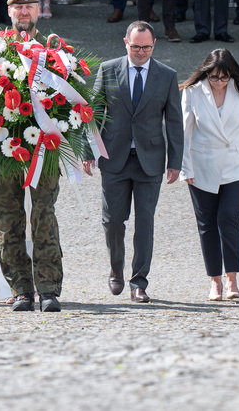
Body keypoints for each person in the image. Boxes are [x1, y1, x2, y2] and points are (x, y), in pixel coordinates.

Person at [0, 0, 75, 312]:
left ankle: (49, 289)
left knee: (43, 217)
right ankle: (21, 289)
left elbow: (70, 97)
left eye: (30, 7)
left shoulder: (55, 49)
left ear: (39, 10)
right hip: (2, 148)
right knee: (8, 218)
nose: (24, 13)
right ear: (9, 12)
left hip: (44, 150)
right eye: (18, 8)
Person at [92, 21, 183, 303]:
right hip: (114, 157)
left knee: (145, 223)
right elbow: (92, 113)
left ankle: (139, 282)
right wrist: (87, 152)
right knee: (113, 221)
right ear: (125, 43)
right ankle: (116, 269)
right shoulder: (108, 69)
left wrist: (175, 161)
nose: (141, 51)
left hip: (150, 160)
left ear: (154, 44)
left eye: (146, 47)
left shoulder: (166, 75)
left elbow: (175, 121)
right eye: (135, 47)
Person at [180, 49, 239, 302]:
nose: (219, 82)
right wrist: (185, 168)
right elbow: (185, 132)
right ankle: (214, 281)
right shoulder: (193, 92)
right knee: (207, 225)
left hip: (237, 164)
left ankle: (232, 278)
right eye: (214, 77)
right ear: (206, 73)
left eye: (224, 77)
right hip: (202, 164)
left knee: (229, 218)